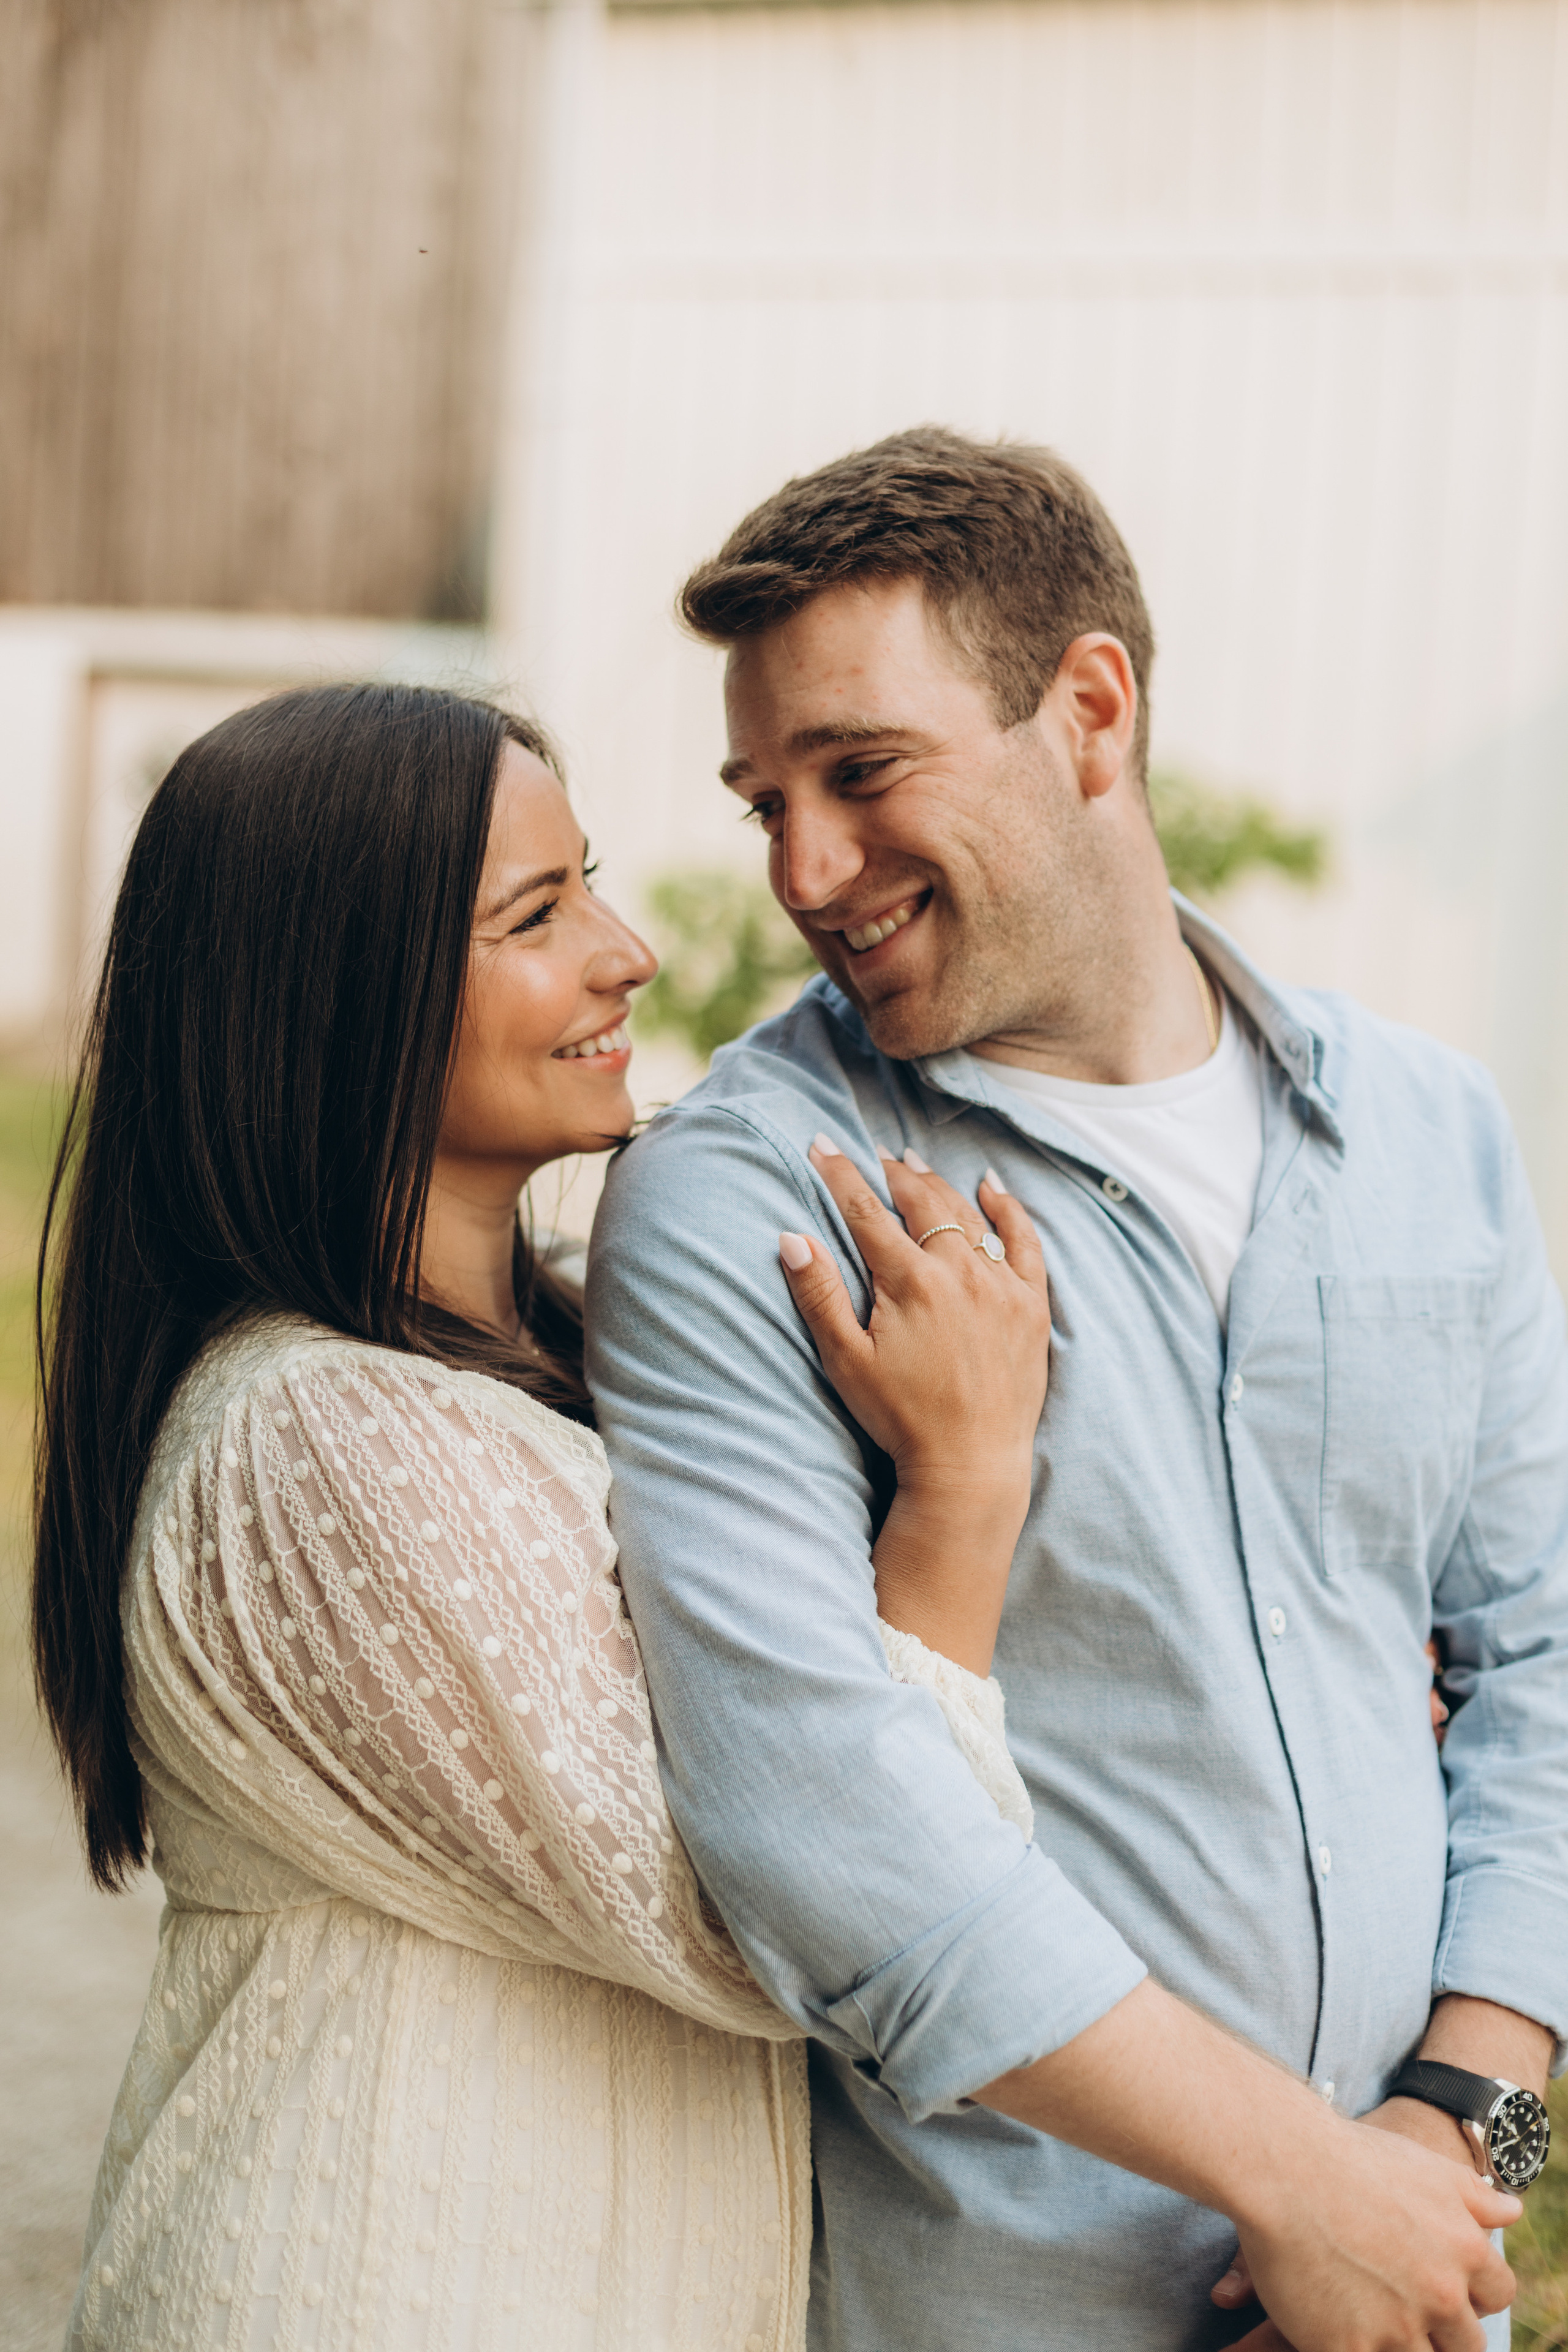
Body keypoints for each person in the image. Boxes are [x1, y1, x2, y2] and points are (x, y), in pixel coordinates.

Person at [585, 428, 1568, 2351]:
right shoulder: (745, 1202)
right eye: (761, 801)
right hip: (991, 2311)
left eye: (860, 774)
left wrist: (1458, 2154)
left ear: (1091, 710)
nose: (803, 868)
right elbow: (817, 1820)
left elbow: (1542, 1667)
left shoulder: (1429, 1130)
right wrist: (1306, 2180)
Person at [32, 682, 1054, 2352]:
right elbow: (805, 1921)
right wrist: (961, 1490)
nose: (628, 950)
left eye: (587, 883)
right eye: (537, 913)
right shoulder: (315, 1445)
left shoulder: (573, 1346)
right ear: (335, 995)